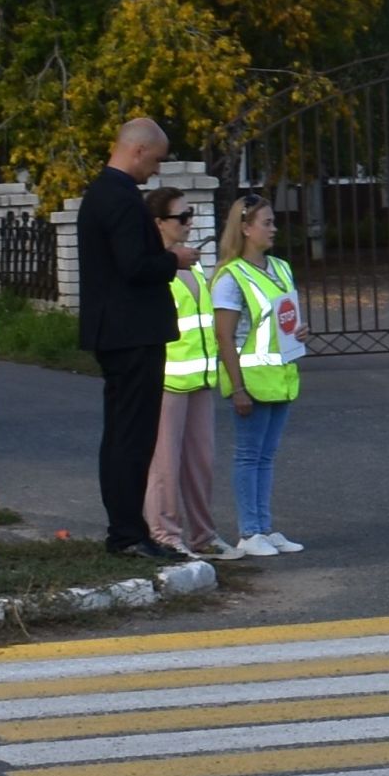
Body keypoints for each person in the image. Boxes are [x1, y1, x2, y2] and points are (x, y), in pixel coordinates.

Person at [76, 118, 198, 558]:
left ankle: (128, 531)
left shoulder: (103, 193)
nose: (156, 171)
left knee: (124, 432)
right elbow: (133, 266)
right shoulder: (121, 198)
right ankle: (127, 535)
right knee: (132, 435)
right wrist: (174, 259)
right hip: (131, 333)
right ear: (139, 151)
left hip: (119, 331)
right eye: (157, 160)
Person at [140, 188, 242, 562]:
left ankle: (203, 535)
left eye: (191, 214)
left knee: (201, 462)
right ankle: (165, 534)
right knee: (165, 465)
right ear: (158, 224)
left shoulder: (192, 262)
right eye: (181, 217)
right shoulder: (156, 264)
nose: (189, 222)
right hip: (167, 380)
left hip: (199, 378)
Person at [213, 194, 311, 558]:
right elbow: (224, 335)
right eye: (266, 222)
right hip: (251, 381)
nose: (274, 228)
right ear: (245, 228)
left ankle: (265, 528)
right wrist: (237, 387)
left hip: (281, 377)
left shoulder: (281, 268)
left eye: (273, 222)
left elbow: (284, 321)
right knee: (248, 456)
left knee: (265, 457)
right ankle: (249, 531)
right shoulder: (230, 277)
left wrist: (300, 331)